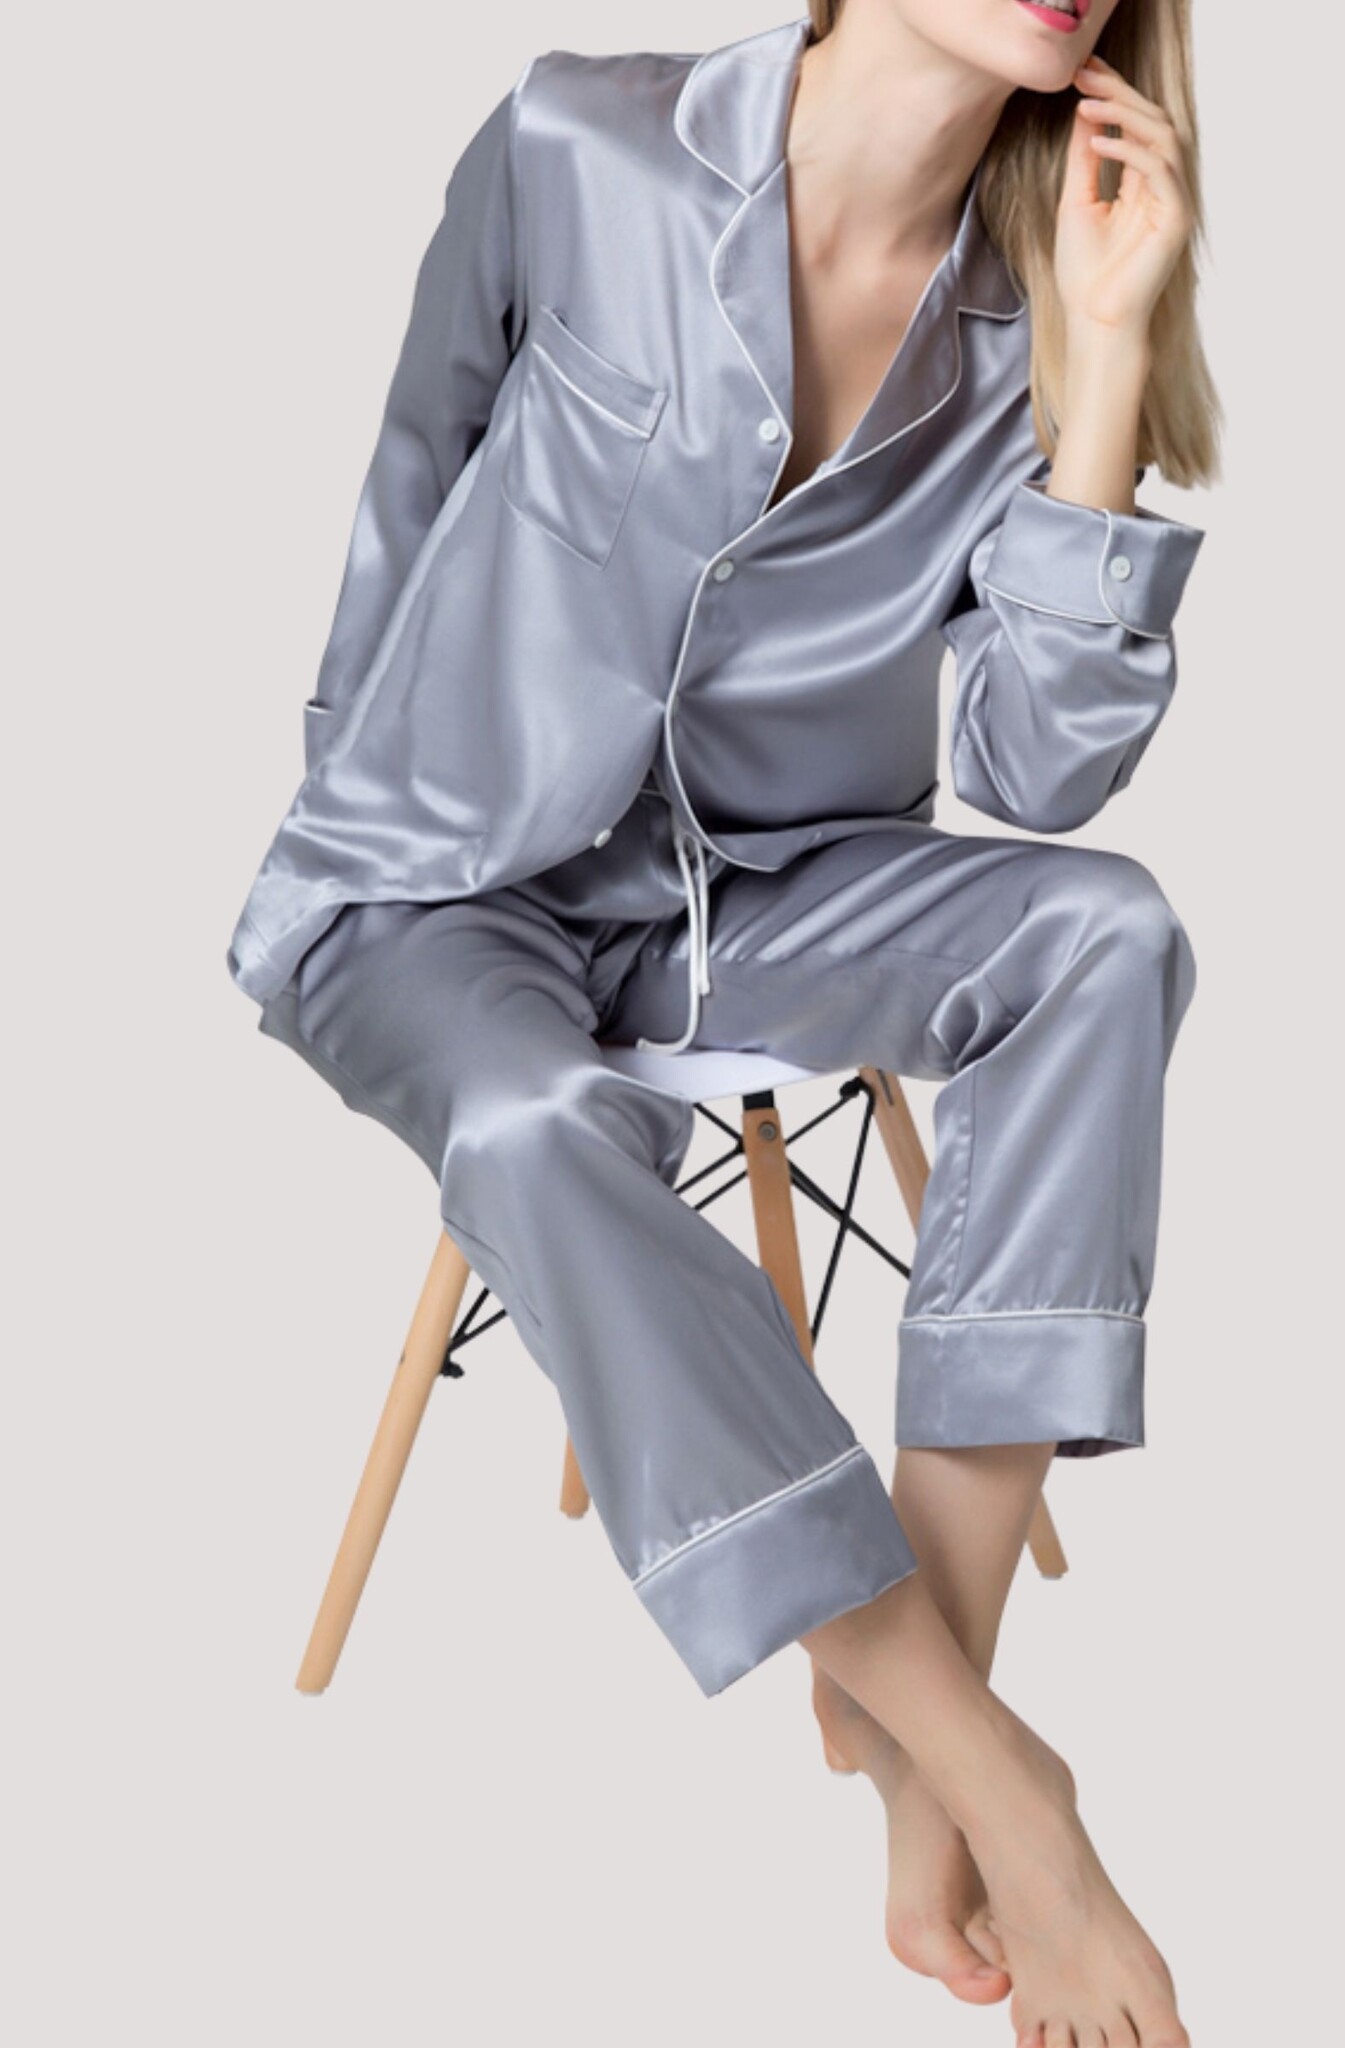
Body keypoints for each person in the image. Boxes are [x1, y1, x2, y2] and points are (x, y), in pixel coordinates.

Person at [228, 4, 1220, 2042]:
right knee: (531, 1126)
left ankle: (920, 1760)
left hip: (761, 895)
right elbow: (411, 469)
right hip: (442, 881)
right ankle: (993, 1771)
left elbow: (1037, 781)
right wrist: (365, 799)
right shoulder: (577, 140)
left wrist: (1109, 362)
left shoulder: (1034, 310)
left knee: (1103, 936)